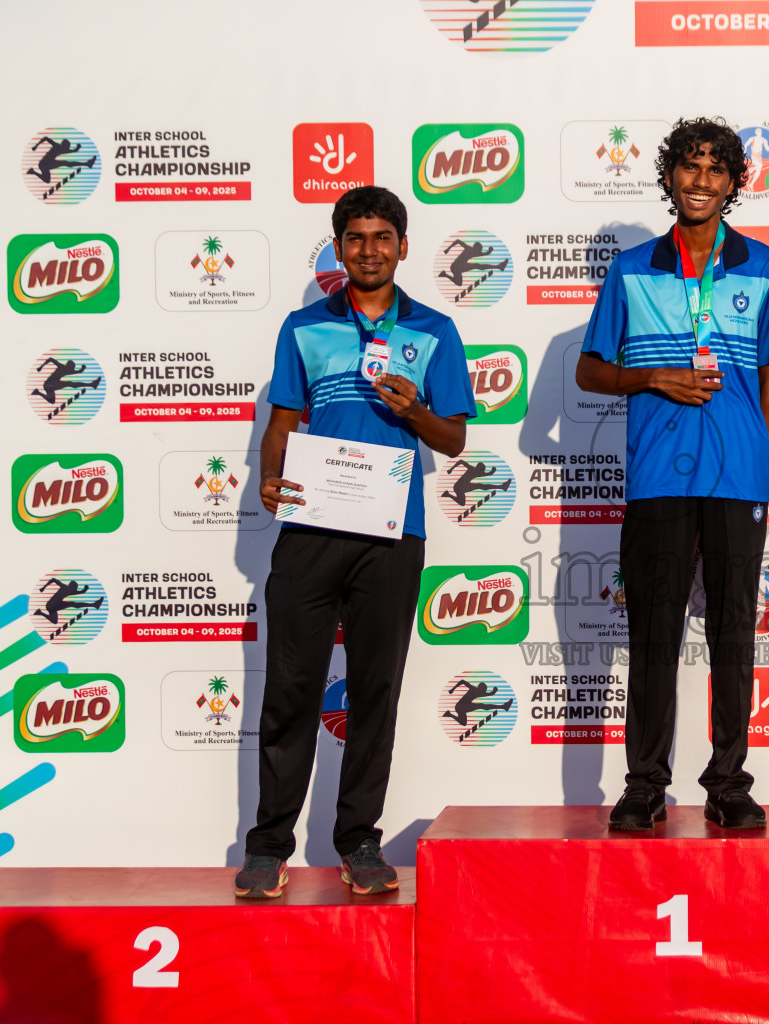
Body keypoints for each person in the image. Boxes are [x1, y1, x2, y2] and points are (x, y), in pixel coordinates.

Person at [234, 185, 474, 898]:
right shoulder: (304, 326)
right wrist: (269, 478)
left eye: (382, 237)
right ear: (339, 248)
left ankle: (359, 841)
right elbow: (282, 423)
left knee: (375, 692)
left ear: (403, 246)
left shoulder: (434, 330)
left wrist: (416, 410)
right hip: (311, 528)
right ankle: (268, 846)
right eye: (356, 238)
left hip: (392, 536)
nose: (370, 250)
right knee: (290, 689)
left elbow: (454, 439)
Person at [576, 117, 769, 832]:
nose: (701, 181)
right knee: (654, 633)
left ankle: (728, 781)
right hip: (657, 476)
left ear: (734, 183)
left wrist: (757, 456)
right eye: (689, 166)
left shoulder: (768, 268)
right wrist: (654, 378)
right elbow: (589, 371)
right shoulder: (631, 270)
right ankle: (645, 783)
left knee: (734, 631)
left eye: (715, 169)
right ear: (669, 176)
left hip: (738, 478)